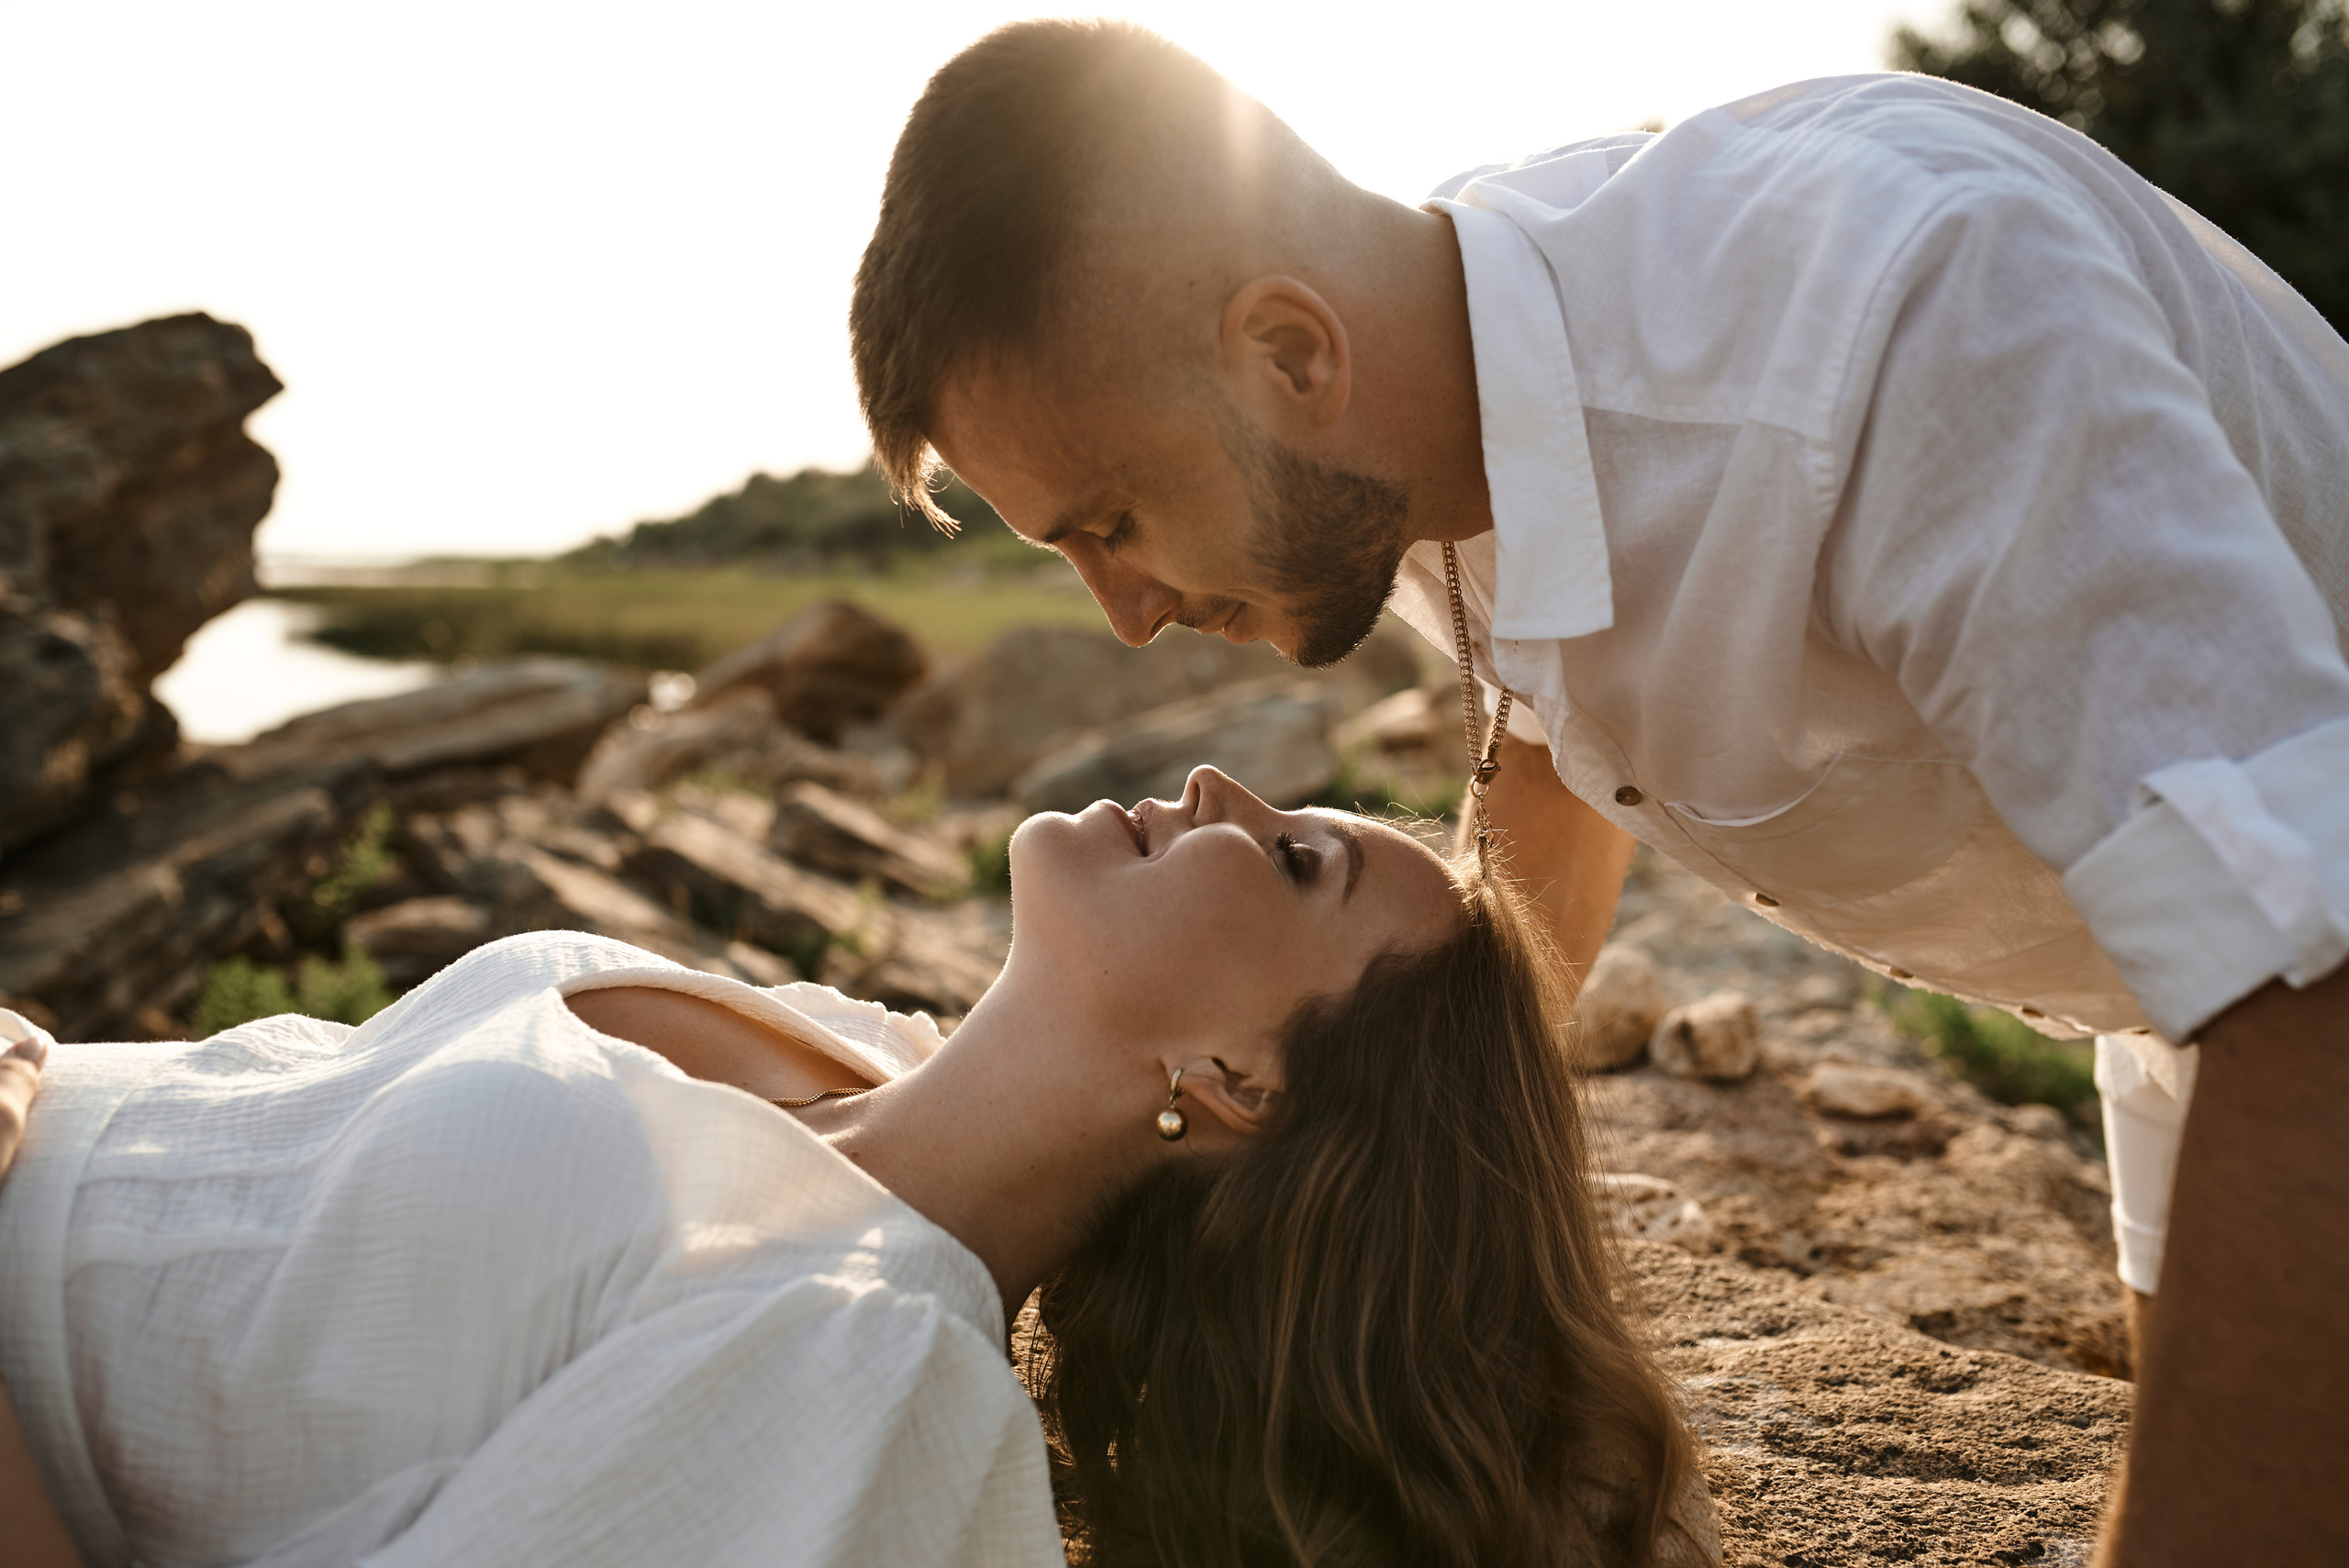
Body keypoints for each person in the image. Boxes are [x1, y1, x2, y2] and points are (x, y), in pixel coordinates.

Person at [849, 21, 2349, 1562]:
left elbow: (2307, 950)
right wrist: (1424, 1282)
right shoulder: (1423, 405)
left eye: (1112, 520)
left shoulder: (1908, 334)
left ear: (1292, 353)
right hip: (2180, 1025)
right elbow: (1549, 752)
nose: (1126, 614)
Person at [0, 769, 1714, 1568]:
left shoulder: (874, 1377)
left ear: (1237, 1082)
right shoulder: (854, 1047)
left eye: (1291, 859)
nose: (1216, 781)